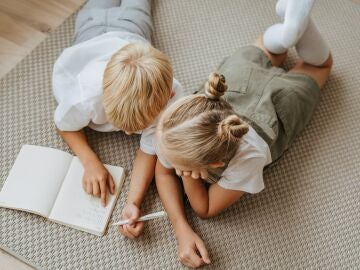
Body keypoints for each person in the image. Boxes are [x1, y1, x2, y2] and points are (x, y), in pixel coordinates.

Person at [153, 9, 333, 269]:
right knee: (263, 52)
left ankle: (289, 33)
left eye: (179, 165)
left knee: (321, 65)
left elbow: (204, 209)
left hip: (279, 104)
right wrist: (181, 228)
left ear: (215, 165)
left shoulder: (248, 159)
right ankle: (285, 34)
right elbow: (162, 172)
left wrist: (187, 176)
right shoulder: (179, 125)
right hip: (237, 82)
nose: (165, 161)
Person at [52, 0, 184, 238]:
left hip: (134, 29)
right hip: (91, 30)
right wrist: (90, 160)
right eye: (123, 127)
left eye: (137, 129)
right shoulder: (87, 95)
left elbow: (149, 150)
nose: (128, 135)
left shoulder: (172, 98)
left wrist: (134, 202)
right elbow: (63, 125)